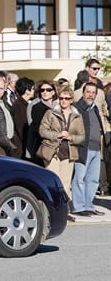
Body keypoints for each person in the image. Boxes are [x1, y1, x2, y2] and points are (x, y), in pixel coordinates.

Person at [38, 87, 84, 222]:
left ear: (71, 100)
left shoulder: (77, 116)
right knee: (52, 182)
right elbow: (42, 131)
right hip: (53, 152)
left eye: (67, 98)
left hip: (69, 152)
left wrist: (71, 137)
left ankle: (64, 211)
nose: (64, 101)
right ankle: (49, 211)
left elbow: (81, 136)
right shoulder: (51, 113)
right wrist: (57, 135)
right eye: (61, 98)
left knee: (65, 184)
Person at [71, 82, 106, 217]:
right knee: (79, 178)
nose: (90, 95)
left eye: (93, 92)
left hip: (96, 148)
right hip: (83, 148)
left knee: (93, 179)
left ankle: (89, 205)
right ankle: (79, 207)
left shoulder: (95, 108)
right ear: (83, 92)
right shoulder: (77, 108)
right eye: (88, 92)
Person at [26, 79, 58, 165]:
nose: (45, 92)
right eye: (42, 90)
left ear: (53, 92)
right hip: (43, 147)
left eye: (48, 90)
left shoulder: (58, 107)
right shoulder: (37, 107)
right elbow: (39, 129)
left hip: (57, 147)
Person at [14, 77, 35, 159]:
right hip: (21, 147)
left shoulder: (25, 104)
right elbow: (21, 128)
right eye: (33, 88)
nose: (34, 91)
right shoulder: (19, 106)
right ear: (27, 90)